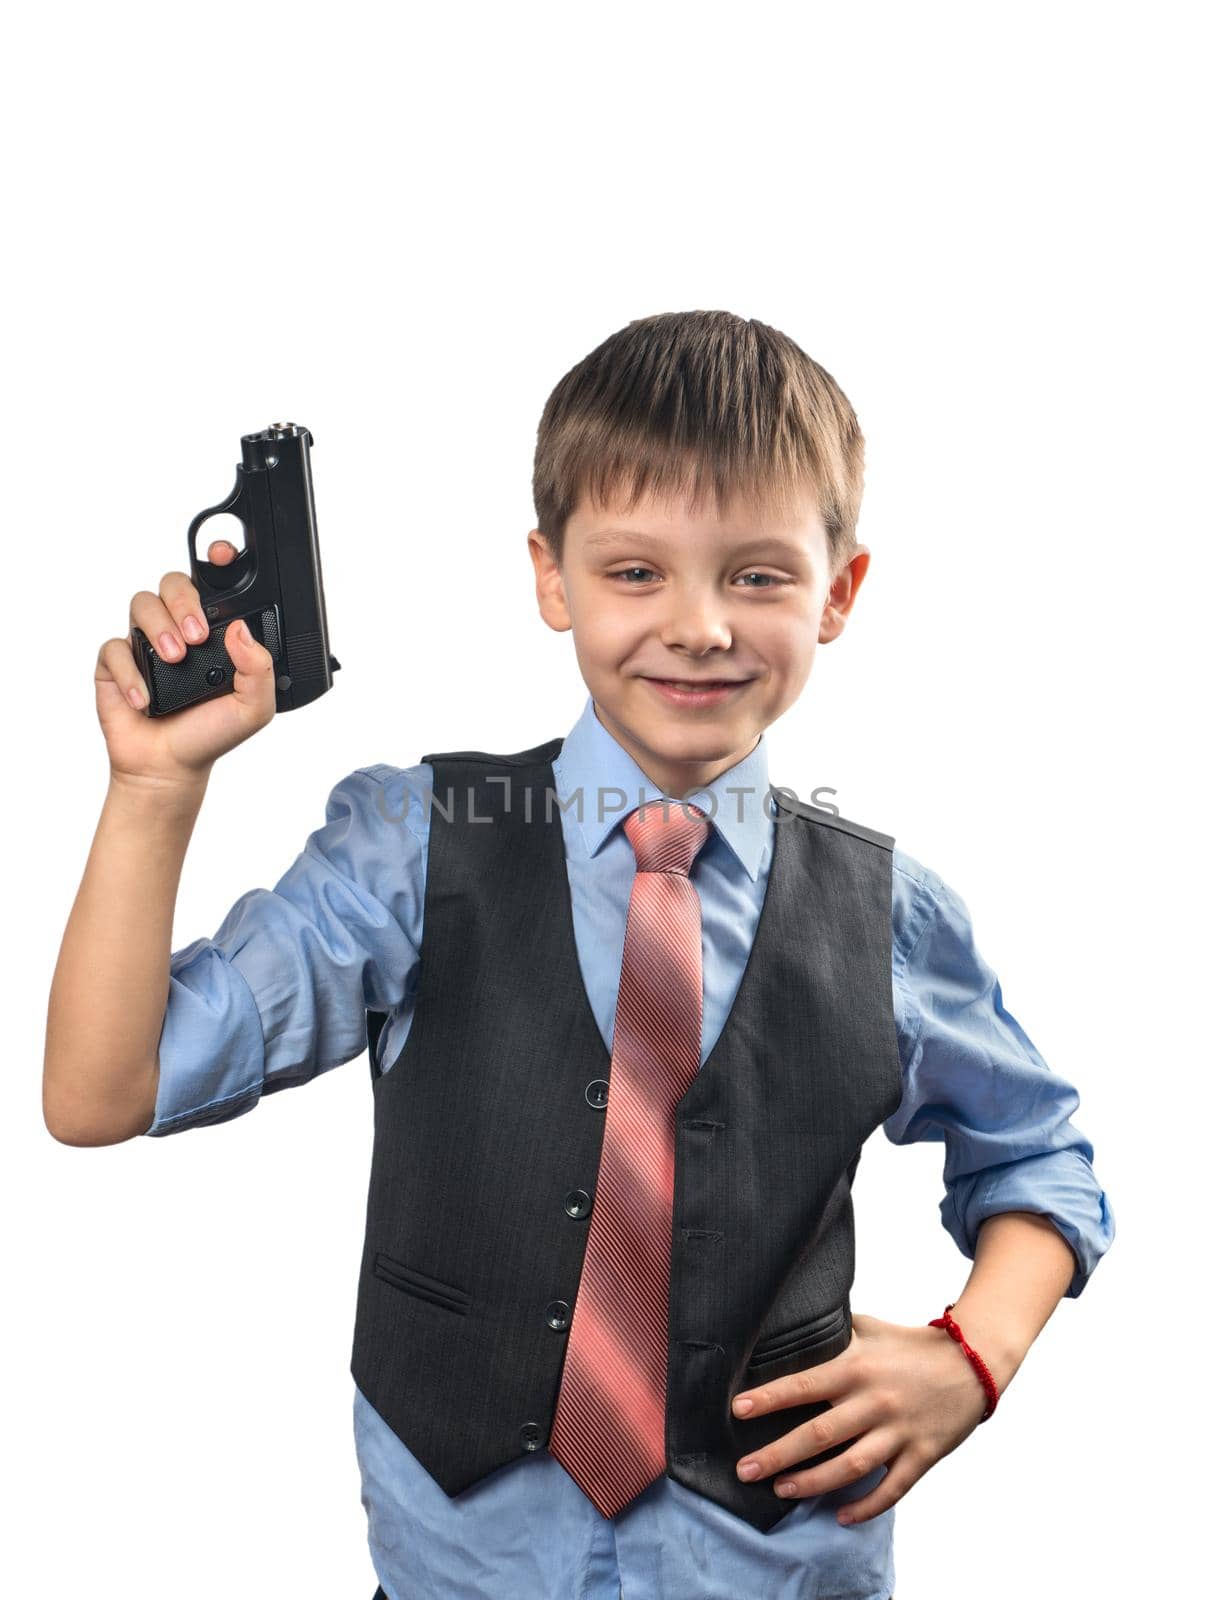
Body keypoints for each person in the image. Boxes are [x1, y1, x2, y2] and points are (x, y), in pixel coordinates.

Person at [44, 310, 1115, 1600]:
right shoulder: (409, 851)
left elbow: (1041, 1156)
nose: (702, 625)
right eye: (635, 571)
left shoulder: (890, 911)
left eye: (759, 576)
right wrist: (155, 788)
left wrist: (973, 1355)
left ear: (839, 591)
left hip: (777, 1570)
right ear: (551, 577)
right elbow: (101, 1093)